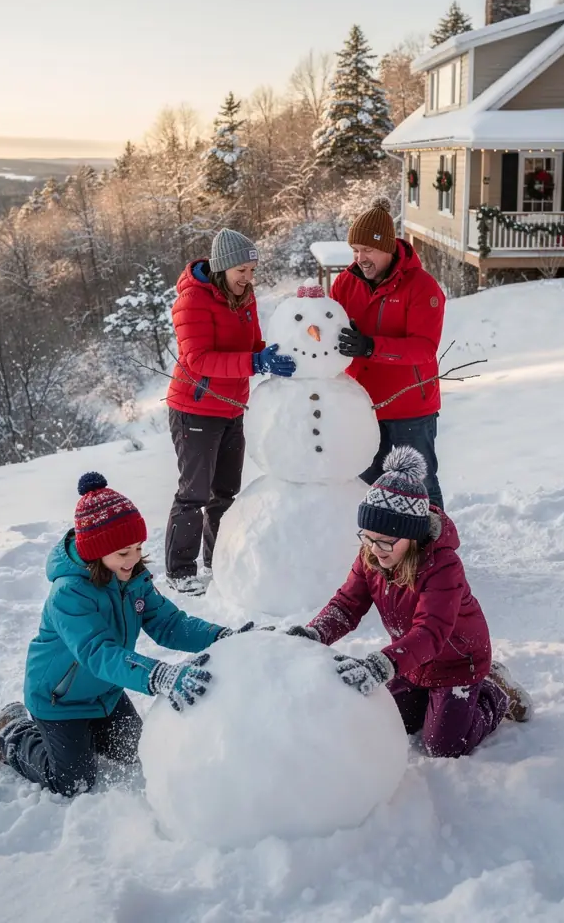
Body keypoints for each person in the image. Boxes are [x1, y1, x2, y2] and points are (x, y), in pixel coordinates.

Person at [0, 472, 257, 797]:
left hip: (106, 694)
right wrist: (158, 675)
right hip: (59, 701)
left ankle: (85, 734)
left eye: (137, 547)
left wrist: (221, 637)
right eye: (122, 553)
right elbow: (98, 653)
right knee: (73, 782)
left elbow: (169, 624)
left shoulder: (133, 578)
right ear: (95, 552)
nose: (134, 559)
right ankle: (9, 732)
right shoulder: (69, 594)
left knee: (138, 753)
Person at [287, 447, 532, 759]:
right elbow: (346, 605)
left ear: (413, 536)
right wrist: (314, 634)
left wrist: (383, 663)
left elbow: (430, 632)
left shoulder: (443, 566)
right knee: (387, 723)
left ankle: (494, 691)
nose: (375, 549)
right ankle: (431, 699)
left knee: (443, 745)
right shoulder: (371, 556)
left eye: (386, 541)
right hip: (412, 662)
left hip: (457, 662)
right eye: (368, 537)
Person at [165, 228, 295, 592]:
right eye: (242, 271)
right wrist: (255, 362)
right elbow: (198, 359)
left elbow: (254, 345)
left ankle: (218, 562)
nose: (248, 279)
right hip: (196, 408)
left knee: (225, 494)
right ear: (223, 269)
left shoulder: (245, 298)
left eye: (252, 271)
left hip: (232, 408)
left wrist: (277, 353)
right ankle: (180, 571)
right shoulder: (191, 301)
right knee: (194, 493)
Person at [331, 197, 446, 510]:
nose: (360, 258)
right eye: (355, 250)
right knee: (366, 486)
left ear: (388, 248)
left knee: (419, 487)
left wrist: (370, 346)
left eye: (367, 250)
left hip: (410, 407)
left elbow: (423, 349)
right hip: (363, 405)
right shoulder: (344, 283)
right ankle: (375, 553)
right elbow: (327, 332)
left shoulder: (422, 287)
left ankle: (432, 552)